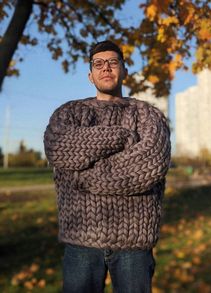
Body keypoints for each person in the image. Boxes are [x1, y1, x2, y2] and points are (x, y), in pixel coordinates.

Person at [44, 40, 171, 293]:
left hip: (134, 244)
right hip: (81, 239)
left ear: (124, 71)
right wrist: (122, 138)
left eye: (113, 62)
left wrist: (85, 174)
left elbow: (151, 162)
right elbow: (58, 147)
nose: (106, 68)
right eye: (99, 64)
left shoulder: (148, 115)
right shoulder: (69, 114)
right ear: (90, 75)